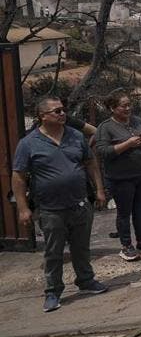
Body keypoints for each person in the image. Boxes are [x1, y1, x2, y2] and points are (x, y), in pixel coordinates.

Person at [11, 97, 108, 313]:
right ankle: (53, 292)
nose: (62, 114)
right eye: (56, 111)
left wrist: (99, 190)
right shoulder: (28, 143)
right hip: (51, 209)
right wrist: (23, 208)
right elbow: (18, 177)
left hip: (80, 204)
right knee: (54, 252)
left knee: (81, 247)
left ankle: (86, 280)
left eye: (63, 110)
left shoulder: (75, 136)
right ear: (42, 116)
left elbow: (91, 163)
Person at [95, 90, 141, 262]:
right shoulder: (105, 127)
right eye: (124, 106)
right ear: (113, 108)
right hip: (120, 178)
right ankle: (126, 245)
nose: (128, 108)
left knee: (139, 210)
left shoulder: (137, 121)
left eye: (129, 104)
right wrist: (127, 144)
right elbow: (103, 151)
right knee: (124, 212)